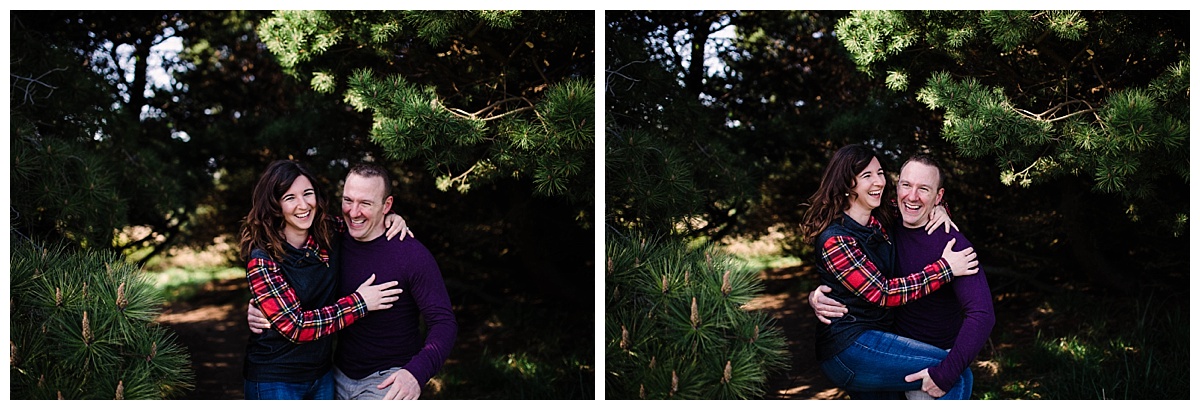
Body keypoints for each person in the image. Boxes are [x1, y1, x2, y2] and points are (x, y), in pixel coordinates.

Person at [249, 163, 457, 400]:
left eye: (366, 203)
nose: (354, 212)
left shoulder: (411, 254)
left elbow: (444, 323)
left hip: (386, 380)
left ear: (386, 205)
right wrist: (261, 303)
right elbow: (289, 284)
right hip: (335, 377)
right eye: (348, 200)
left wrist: (416, 373)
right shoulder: (332, 239)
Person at [799, 144, 979, 400]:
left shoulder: (881, 216)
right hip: (850, 347)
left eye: (880, 173)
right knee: (953, 374)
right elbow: (883, 292)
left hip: (877, 339)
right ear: (847, 183)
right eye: (867, 176)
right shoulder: (836, 239)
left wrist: (941, 208)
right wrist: (945, 269)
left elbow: (917, 202)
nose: (879, 182)